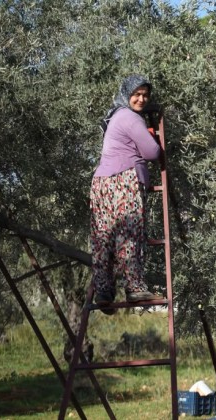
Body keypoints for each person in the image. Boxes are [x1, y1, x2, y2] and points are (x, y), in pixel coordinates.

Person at [91, 75, 161, 313]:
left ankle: (104, 291)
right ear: (126, 93)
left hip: (101, 183)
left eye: (145, 95)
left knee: (104, 238)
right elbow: (152, 152)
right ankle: (135, 288)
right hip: (124, 180)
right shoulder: (130, 117)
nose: (141, 99)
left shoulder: (115, 116)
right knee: (129, 234)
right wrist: (154, 140)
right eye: (137, 94)